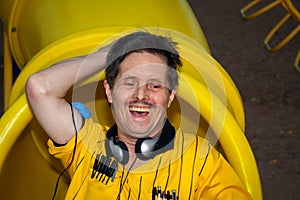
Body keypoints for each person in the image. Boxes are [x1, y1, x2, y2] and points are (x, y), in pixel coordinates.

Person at [26, 31, 251, 199]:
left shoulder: (202, 160)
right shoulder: (87, 144)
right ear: (109, 91)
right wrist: (109, 55)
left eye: (154, 86)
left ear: (170, 96)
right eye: (129, 82)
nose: (141, 95)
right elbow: (40, 88)